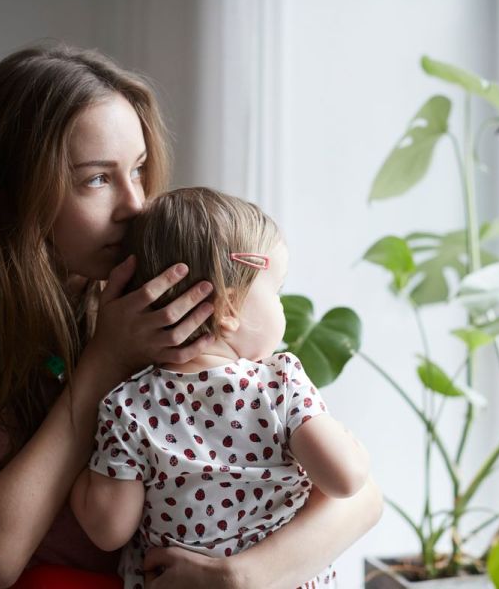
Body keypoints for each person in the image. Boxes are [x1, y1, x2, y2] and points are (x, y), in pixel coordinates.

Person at [0, 43, 382, 589]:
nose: (136, 204)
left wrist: (237, 577)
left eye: (140, 170)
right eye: (97, 179)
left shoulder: (182, 303)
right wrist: (106, 360)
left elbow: (358, 494)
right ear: (12, 196)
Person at [69, 187, 371, 589]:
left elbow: (108, 528)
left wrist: (77, 486)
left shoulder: (129, 406)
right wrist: (352, 447)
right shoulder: (280, 384)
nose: (282, 307)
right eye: (276, 292)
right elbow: (345, 480)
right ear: (228, 310)